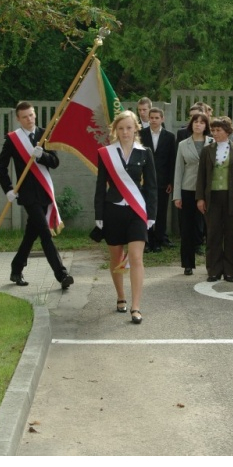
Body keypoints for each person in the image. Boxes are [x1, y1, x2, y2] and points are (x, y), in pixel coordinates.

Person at [0, 101, 73, 290]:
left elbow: (55, 162)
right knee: (46, 234)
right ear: (18, 119)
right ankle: (62, 275)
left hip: (45, 192)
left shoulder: (44, 134)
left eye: (31, 115)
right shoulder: (13, 139)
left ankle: (16, 269)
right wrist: (8, 189)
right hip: (28, 195)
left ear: (35, 114)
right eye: (25, 117)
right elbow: (1, 166)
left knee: (31, 235)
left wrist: (42, 156)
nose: (29, 119)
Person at [95, 111, 157, 324]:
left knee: (136, 257)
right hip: (113, 210)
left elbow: (151, 186)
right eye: (121, 128)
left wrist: (152, 214)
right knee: (116, 257)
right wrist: (98, 215)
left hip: (136, 211)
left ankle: (136, 306)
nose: (125, 132)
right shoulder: (106, 153)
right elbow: (100, 186)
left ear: (136, 129)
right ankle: (121, 296)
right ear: (115, 131)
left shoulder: (145, 152)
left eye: (129, 128)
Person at [196, 117, 233, 282]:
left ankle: (230, 271)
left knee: (232, 234)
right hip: (212, 196)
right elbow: (201, 176)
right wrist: (200, 198)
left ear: (227, 131)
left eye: (218, 130)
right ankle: (213, 270)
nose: (215, 133)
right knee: (213, 234)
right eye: (213, 130)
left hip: (232, 196)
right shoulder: (207, 150)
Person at [173, 112, 210, 275]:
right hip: (188, 189)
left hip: (208, 191)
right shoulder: (183, 144)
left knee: (210, 228)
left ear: (206, 126)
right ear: (191, 124)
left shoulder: (213, 143)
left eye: (202, 122)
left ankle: (213, 264)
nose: (198, 124)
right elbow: (178, 171)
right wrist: (177, 195)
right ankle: (188, 263)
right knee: (187, 228)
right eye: (196, 121)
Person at [139, 107, 177, 252]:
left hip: (162, 181)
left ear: (162, 119)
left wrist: (171, 182)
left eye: (157, 118)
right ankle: (147, 240)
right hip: (145, 180)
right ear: (148, 119)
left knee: (161, 211)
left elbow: (172, 160)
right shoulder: (141, 135)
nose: (154, 120)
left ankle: (160, 239)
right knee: (146, 210)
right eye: (152, 117)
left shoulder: (169, 136)